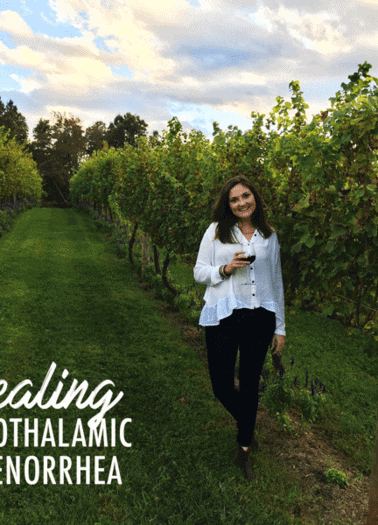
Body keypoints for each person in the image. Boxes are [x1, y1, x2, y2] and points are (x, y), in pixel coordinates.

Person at [193, 174, 285, 481]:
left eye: (246, 195)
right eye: (234, 199)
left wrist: (280, 327)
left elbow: (276, 282)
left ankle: (243, 448)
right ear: (227, 204)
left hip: (260, 318)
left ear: (254, 197)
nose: (241, 202)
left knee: (248, 385)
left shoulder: (269, 237)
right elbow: (198, 271)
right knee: (221, 386)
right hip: (224, 314)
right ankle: (248, 425)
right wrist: (226, 268)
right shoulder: (216, 232)